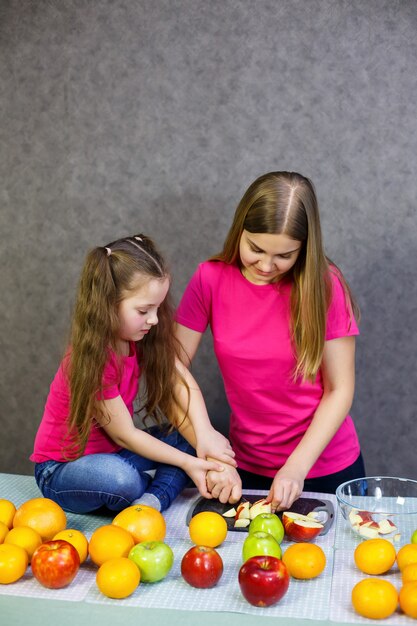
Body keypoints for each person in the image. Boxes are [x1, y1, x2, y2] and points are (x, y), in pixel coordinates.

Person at [175, 171, 365, 512]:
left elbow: (340, 390)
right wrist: (203, 439)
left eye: (284, 256)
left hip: (323, 469)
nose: (265, 265)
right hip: (242, 468)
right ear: (240, 231)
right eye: (255, 249)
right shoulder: (209, 278)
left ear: (305, 248)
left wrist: (296, 467)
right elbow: (169, 369)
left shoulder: (327, 286)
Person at [31, 234, 236, 514]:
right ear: (108, 305)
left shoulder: (139, 336)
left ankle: (150, 501)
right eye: (143, 310)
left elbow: (179, 379)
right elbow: (126, 435)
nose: (153, 319)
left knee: (187, 439)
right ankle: (149, 487)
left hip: (115, 455)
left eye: (157, 308)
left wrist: (204, 434)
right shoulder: (92, 357)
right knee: (119, 478)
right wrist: (188, 463)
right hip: (63, 469)